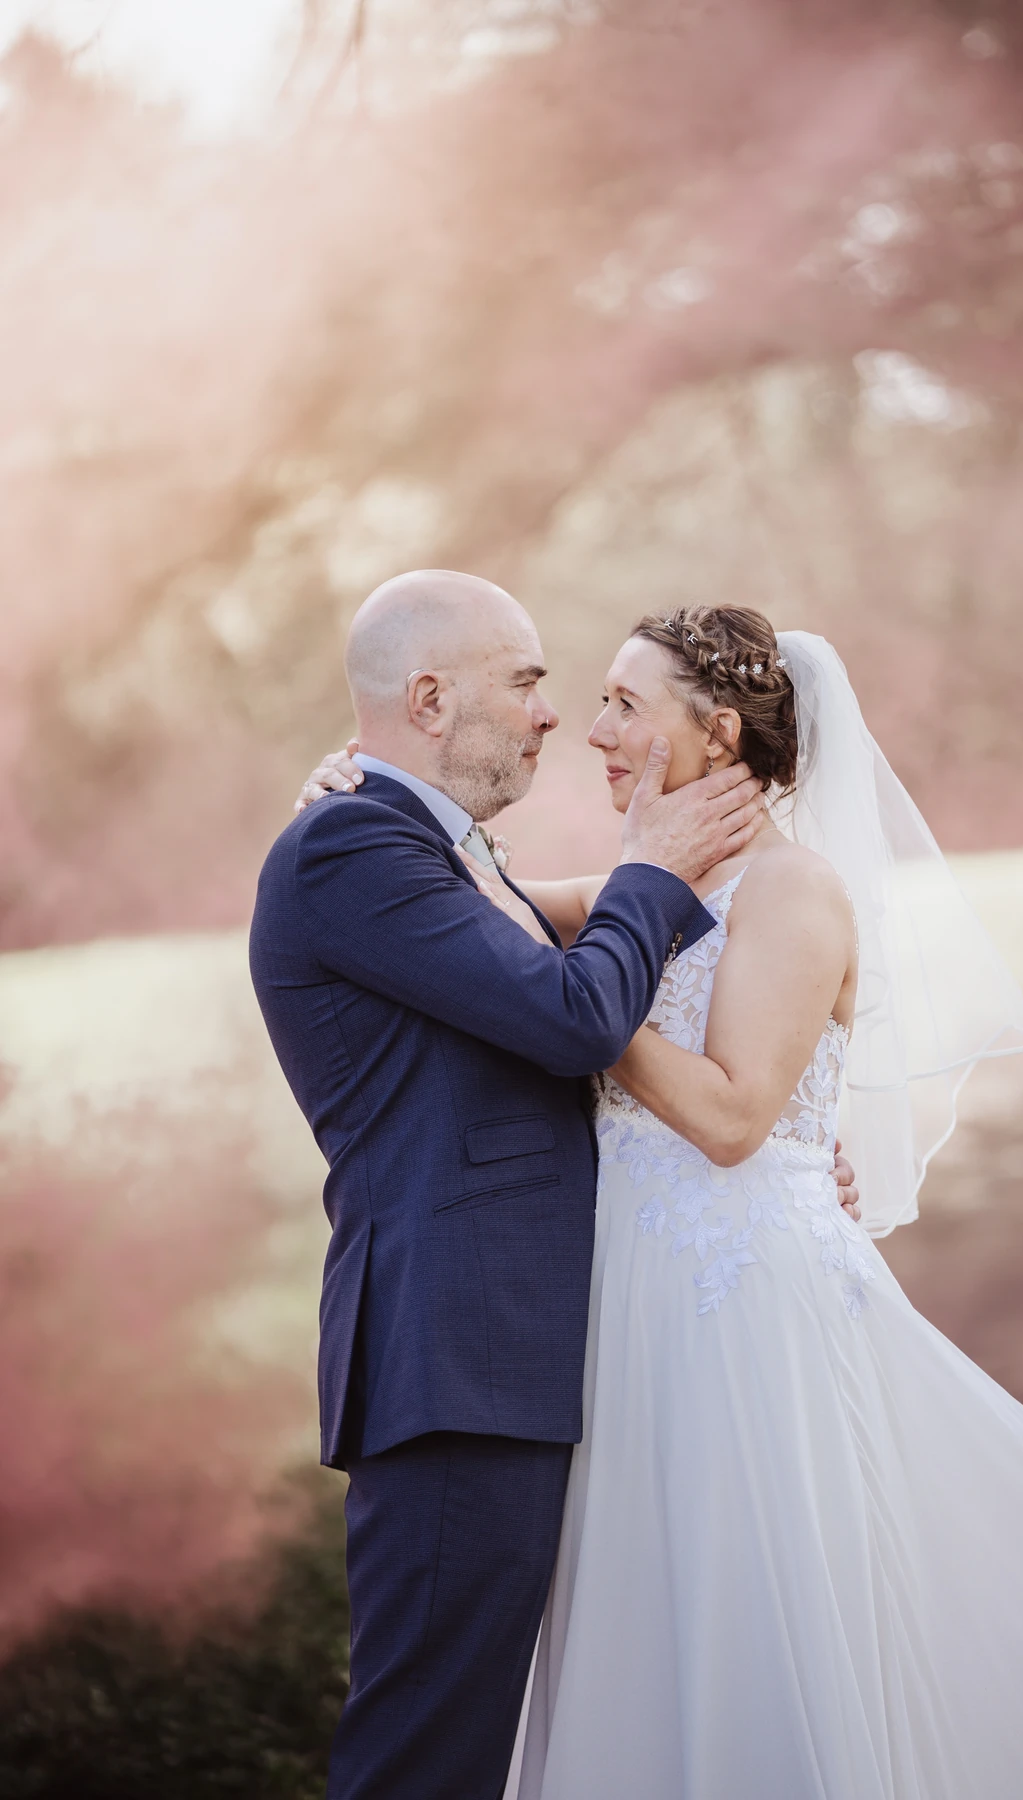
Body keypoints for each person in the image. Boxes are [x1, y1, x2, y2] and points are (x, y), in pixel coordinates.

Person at [303, 599, 1023, 1799]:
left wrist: (582, 1002)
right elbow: (480, 916)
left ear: (717, 733)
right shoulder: (642, 882)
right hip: (623, 1305)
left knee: (748, 1607)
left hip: (735, 1309)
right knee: (637, 1616)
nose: (593, 728)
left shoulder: (793, 892)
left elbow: (728, 1117)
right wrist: (353, 796)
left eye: (626, 703)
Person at [251, 570, 860, 1800]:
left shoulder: (426, 849)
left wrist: (794, 1147)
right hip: (459, 1357)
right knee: (431, 1752)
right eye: (532, 682)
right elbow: (570, 1012)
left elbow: (564, 983)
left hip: (571, 1356)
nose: (562, 721)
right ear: (429, 698)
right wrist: (655, 871)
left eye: (605, 700)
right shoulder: (358, 839)